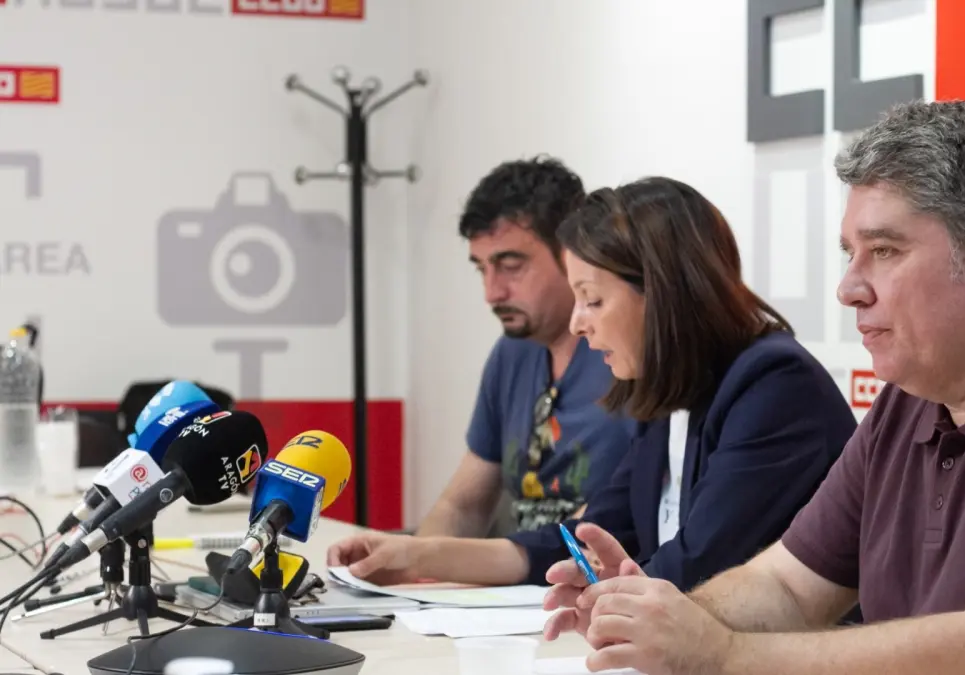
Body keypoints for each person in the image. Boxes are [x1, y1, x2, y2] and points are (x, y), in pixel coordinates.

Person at [544, 101, 965, 675]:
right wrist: (655, 614)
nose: (849, 287)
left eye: (884, 250)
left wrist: (723, 655)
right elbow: (787, 588)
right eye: (849, 254)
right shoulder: (911, 397)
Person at [326, 177, 857, 591]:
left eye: (593, 300)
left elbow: (695, 568)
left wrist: (592, 586)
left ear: (663, 296)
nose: (579, 323)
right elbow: (581, 539)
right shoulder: (669, 390)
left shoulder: (773, 387)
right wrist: (415, 555)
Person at [412, 156, 634, 538]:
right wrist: (410, 561)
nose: (492, 293)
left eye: (511, 265)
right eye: (482, 268)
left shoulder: (628, 354)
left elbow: (613, 517)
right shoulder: (512, 353)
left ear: (572, 254)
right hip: (518, 570)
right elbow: (462, 506)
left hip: (585, 568)